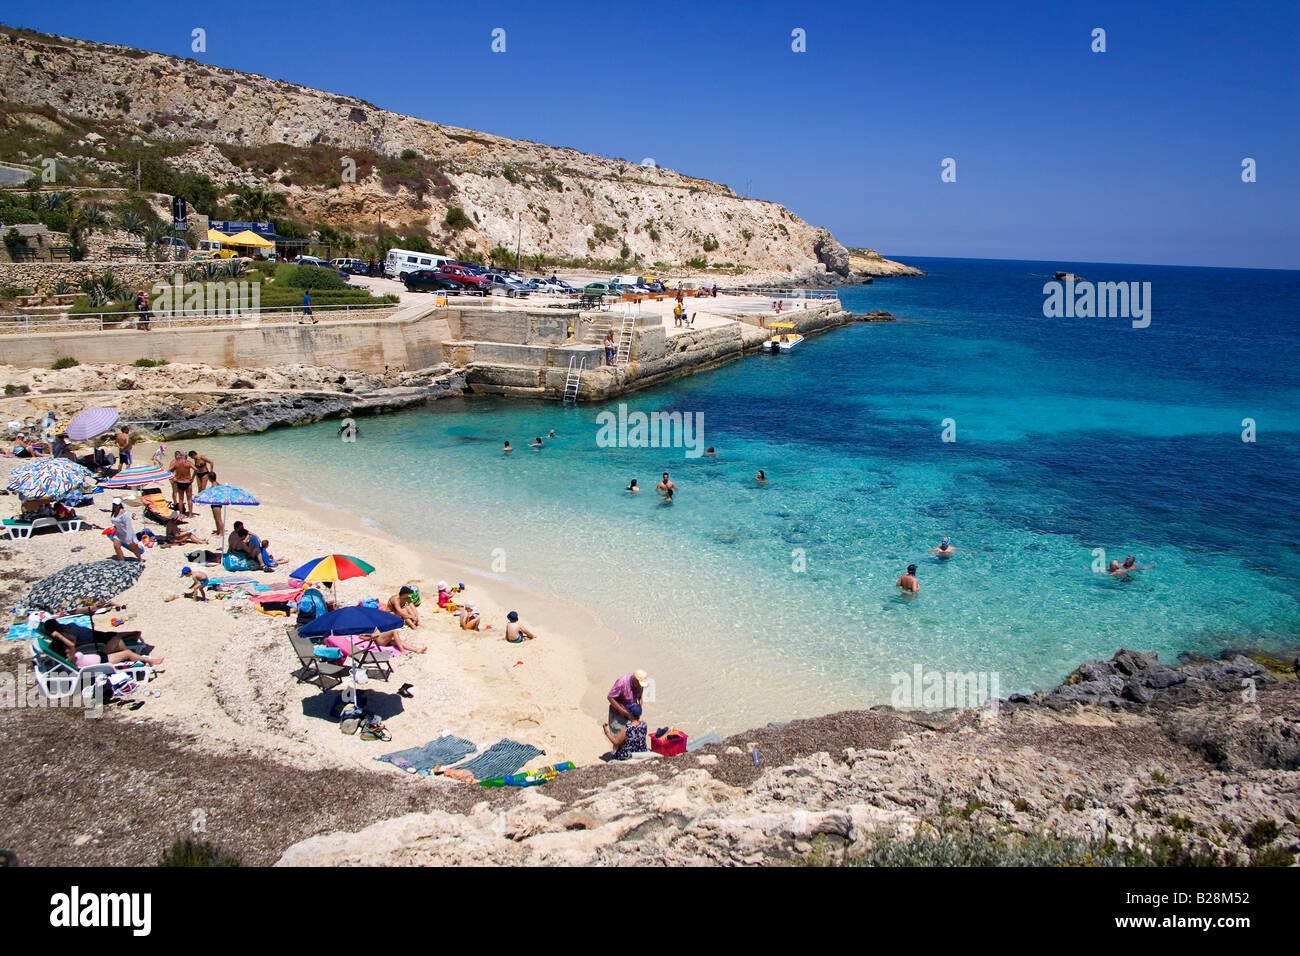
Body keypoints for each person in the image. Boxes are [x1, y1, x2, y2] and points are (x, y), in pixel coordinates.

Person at [41, 618, 162, 667]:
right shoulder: (71, 658)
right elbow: (72, 644)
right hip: (101, 660)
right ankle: (148, 661)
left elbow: (71, 643)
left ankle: (146, 659)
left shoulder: (70, 656)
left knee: (123, 648)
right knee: (125, 650)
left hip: (100, 656)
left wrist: (59, 635)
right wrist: (59, 635)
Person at [108, 498, 144, 563]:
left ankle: (139, 558)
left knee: (132, 548)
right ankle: (122, 561)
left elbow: (128, 526)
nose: (115, 506)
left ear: (120, 505)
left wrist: (129, 537)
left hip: (127, 533)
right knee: (116, 547)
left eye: (116, 504)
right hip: (118, 533)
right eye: (114, 504)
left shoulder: (124, 514)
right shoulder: (114, 512)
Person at [168, 450, 197, 516]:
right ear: (185, 456)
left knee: (180, 499)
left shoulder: (176, 463)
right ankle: (190, 514)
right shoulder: (188, 462)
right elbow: (196, 470)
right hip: (188, 482)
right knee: (189, 499)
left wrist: (173, 478)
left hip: (179, 482)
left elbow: (169, 470)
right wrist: (192, 478)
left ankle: (181, 514)